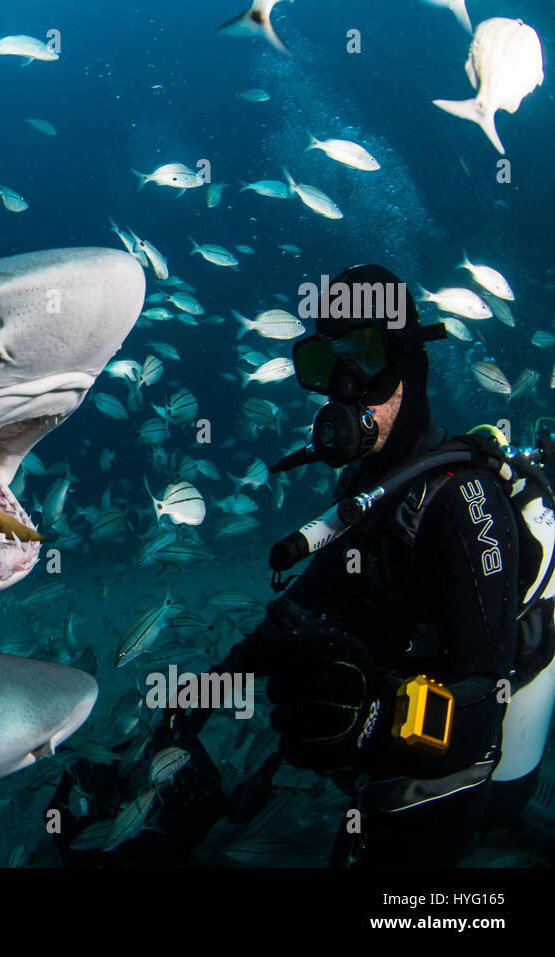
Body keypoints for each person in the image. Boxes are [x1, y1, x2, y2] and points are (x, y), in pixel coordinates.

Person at [205, 263, 551, 868]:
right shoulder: (372, 488)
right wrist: (211, 685)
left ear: (408, 366)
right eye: (323, 362)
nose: (342, 386)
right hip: (402, 710)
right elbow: (316, 591)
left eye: (363, 356)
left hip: (474, 754)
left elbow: (482, 706)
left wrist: (373, 715)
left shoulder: (462, 504)